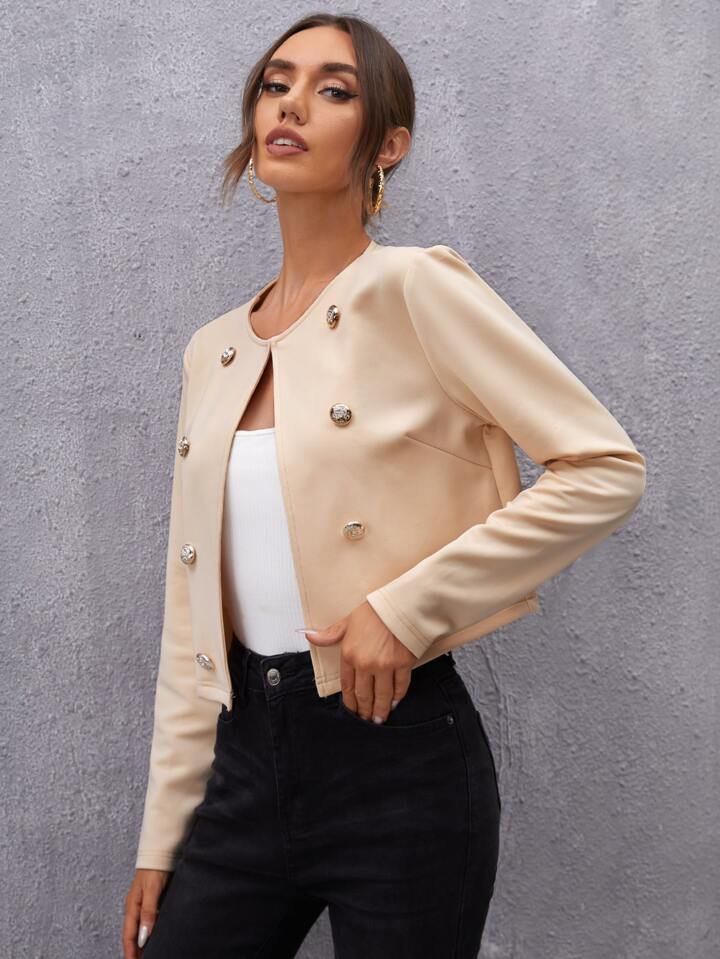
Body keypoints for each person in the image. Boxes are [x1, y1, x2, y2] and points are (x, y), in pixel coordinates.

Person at [122, 12, 646, 959]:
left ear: (388, 145)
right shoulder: (214, 350)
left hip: (400, 764)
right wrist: (164, 834)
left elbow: (604, 468)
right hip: (242, 768)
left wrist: (408, 609)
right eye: (276, 83)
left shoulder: (415, 289)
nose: (291, 105)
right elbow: (190, 608)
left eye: (334, 90)